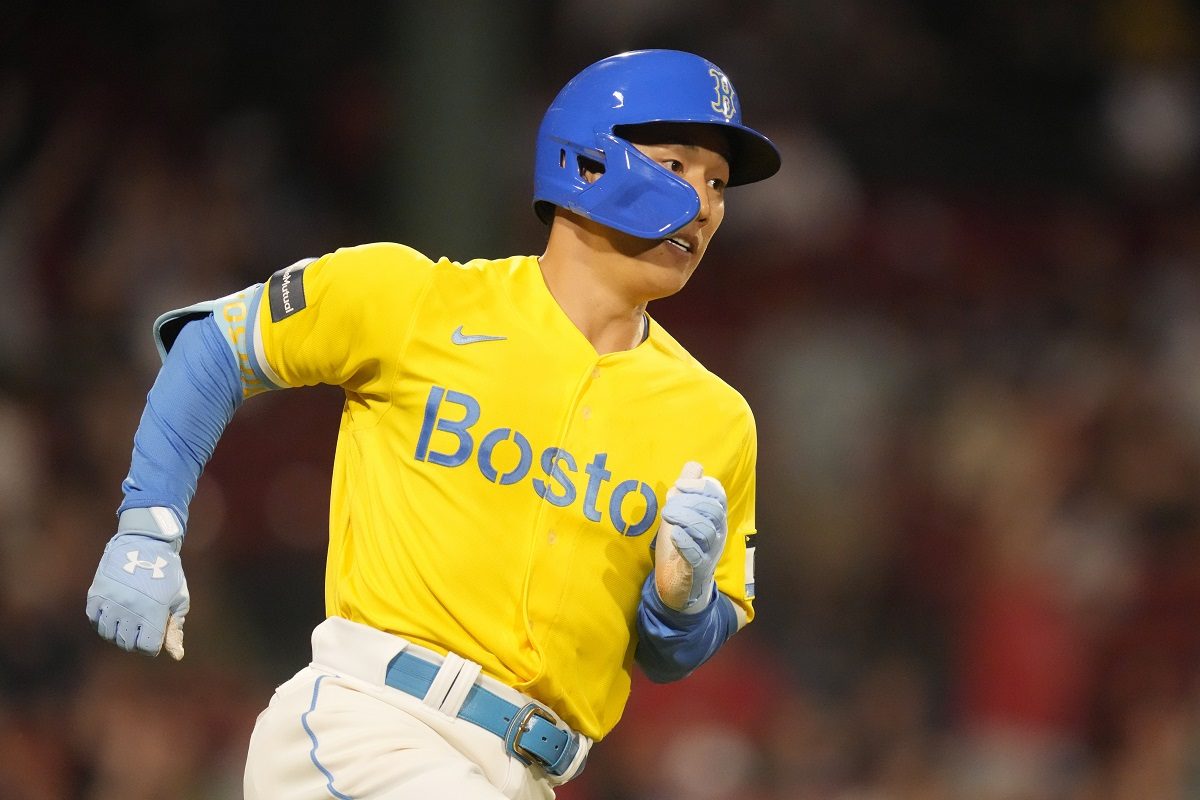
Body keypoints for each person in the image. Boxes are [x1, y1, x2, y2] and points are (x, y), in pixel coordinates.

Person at [85, 48, 780, 799]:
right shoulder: (415, 300)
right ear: (586, 162)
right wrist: (148, 527)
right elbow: (217, 345)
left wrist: (683, 603)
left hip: (527, 775)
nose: (705, 204)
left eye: (718, 184)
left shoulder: (715, 421)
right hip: (372, 726)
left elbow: (673, 654)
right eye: (679, 166)